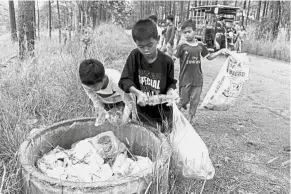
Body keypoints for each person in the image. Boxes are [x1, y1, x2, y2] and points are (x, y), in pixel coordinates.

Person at [118, 19, 178, 133]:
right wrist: (138, 93)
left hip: (164, 112)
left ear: (158, 39)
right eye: (141, 46)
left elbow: (171, 83)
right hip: (144, 113)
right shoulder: (135, 56)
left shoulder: (167, 61)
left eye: (150, 45)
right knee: (148, 139)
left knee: (164, 139)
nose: (146, 50)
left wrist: (171, 92)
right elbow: (124, 80)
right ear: (136, 43)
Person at [173, 20, 230, 124]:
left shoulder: (200, 45)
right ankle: (173, 118)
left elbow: (209, 57)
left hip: (197, 79)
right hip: (185, 79)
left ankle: (190, 121)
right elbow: (172, 59)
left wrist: (220, 51)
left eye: (189, 31)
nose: (186, 34)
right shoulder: (181, 46)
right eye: (184, 32)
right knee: (183, 100)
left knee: (195, 101)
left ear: (195, 31)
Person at [79, 59, 136, 126]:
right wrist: (100, 109)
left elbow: (129, 102)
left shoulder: (117, 82)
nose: (92, 89)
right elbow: (94, 98)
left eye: (94, 87)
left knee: (123, 124)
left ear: (104, 78)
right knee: (108, 123)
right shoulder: (87, 82)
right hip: (105, 102)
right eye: (89, 87)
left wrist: (124, 119)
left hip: (122, 101)